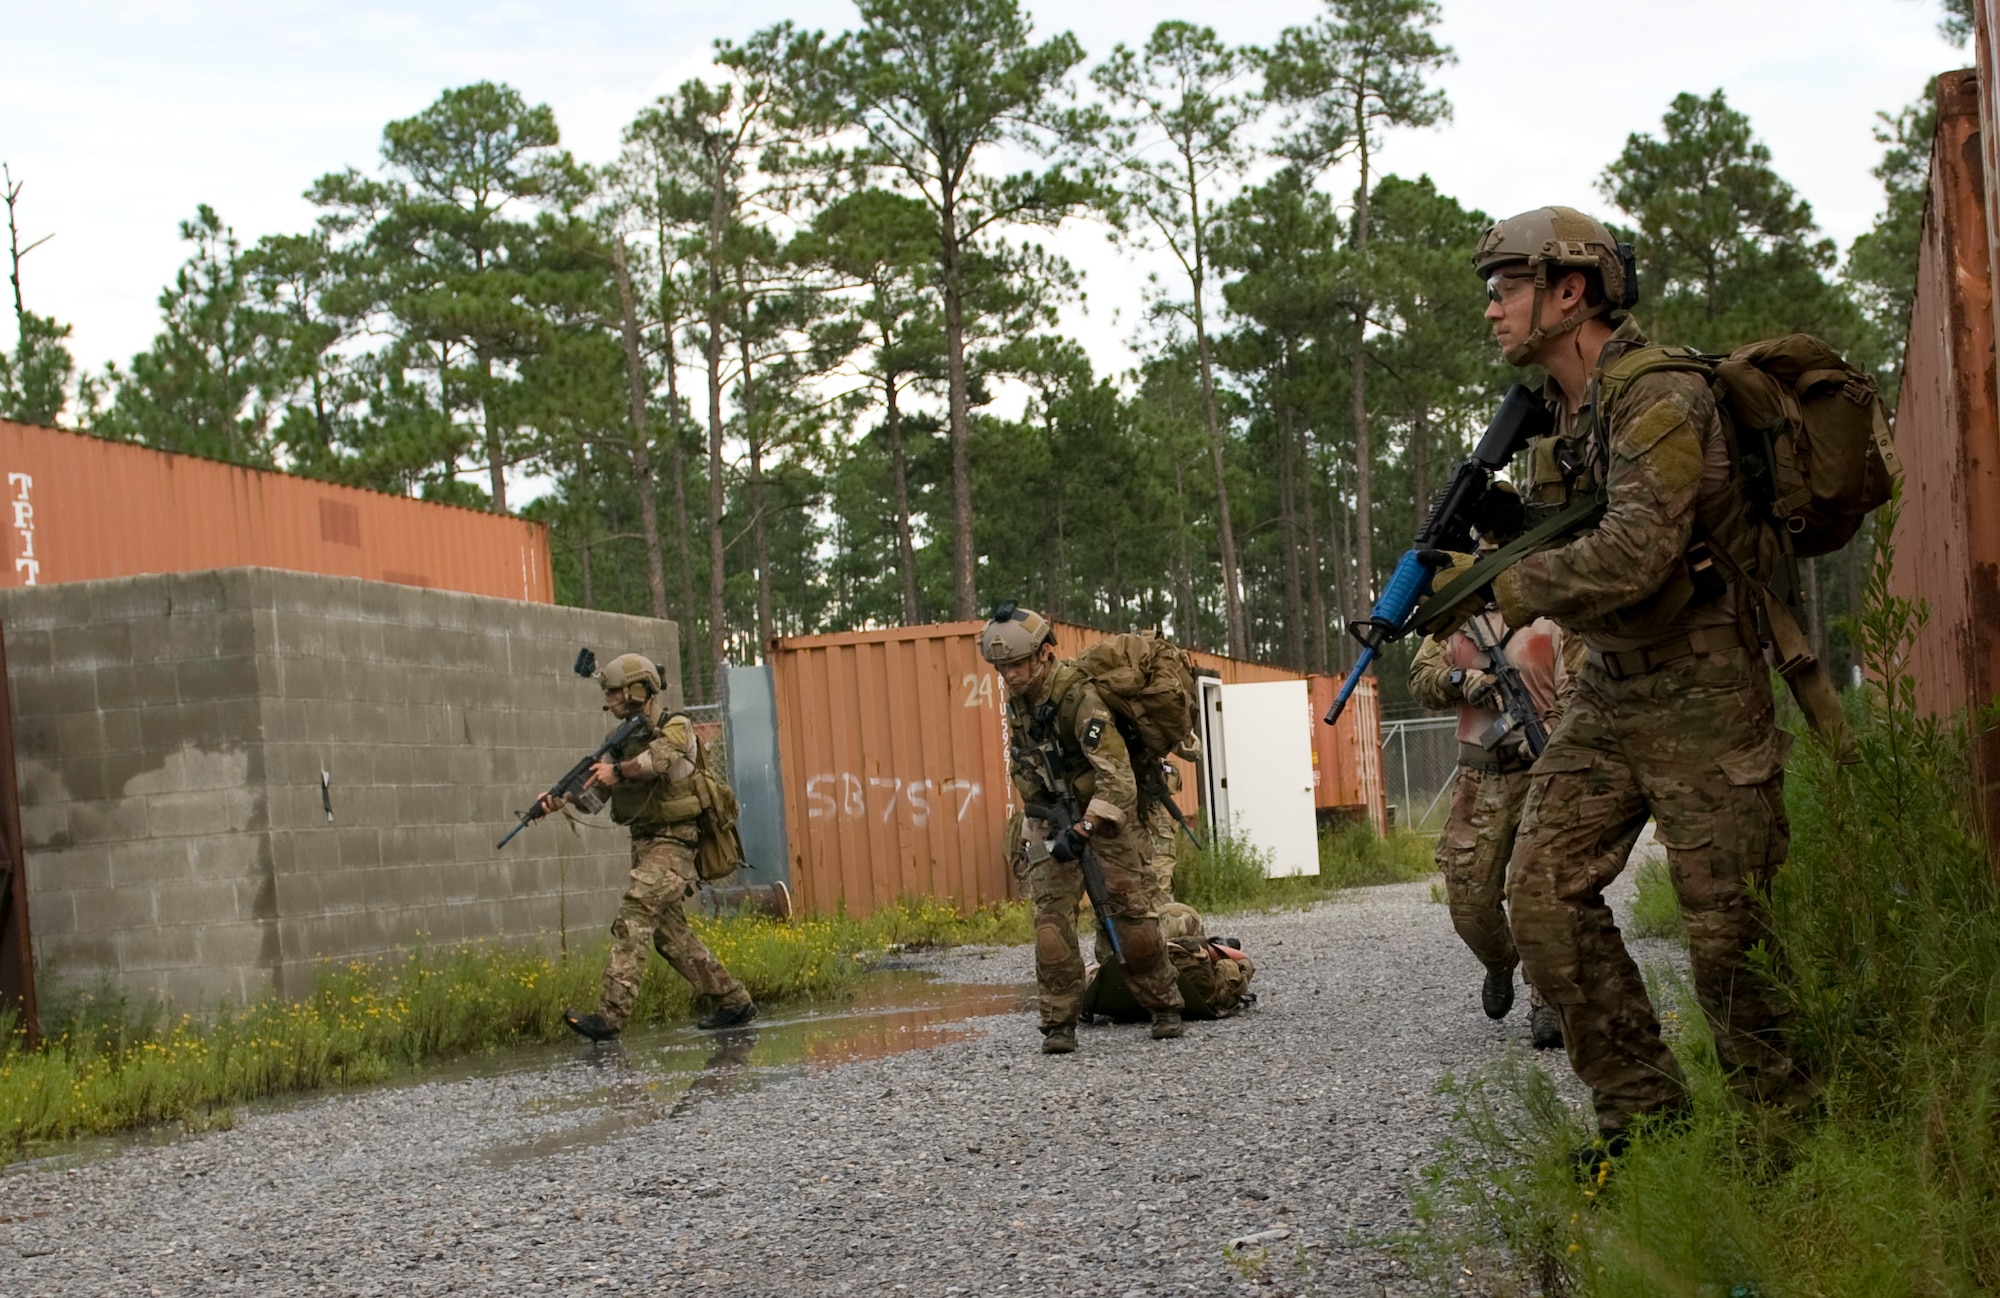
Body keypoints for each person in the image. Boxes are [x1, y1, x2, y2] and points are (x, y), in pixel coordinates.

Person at [1462, 206, 1809, 1161]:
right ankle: (1643, 1123)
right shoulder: (1563, 413)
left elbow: (1636, 554)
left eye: (1508, 288)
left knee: (1731, 941)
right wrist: (1505, 526)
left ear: (1570, 291)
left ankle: (1784, 1155)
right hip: (1611, 690)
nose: (1492, 310)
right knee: (1538, 897)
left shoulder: (1657, 395)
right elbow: (1580, 531)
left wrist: (1506, 580)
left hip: (1704, 688)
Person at [983, 605, 1187, 1054]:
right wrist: (1042, 822)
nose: (1009, 675)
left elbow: (1118, 779)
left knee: (1130, 918)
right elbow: (1024, 765)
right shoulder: (1019, 703)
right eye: (1002, 668)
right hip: (1056, 817)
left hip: (1108, 816)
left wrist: (1085, 826)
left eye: (1016, 664)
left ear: (1043, 655)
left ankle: (1165, 1007)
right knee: (1051, 926)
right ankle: (1059, 1024)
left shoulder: (1080, 700)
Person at [552, 652, 756, 1041]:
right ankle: (733, 1001)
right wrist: (561, 798)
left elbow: (657, 762)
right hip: (645, 845)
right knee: (670, 936)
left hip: (676, 842)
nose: (607, 700)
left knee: (636, 911)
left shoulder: (675, 726)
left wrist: (616, 770)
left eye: (613, 692)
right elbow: (596, 799)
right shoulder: (617, 745)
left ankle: (609, 1017)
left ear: (636, 690)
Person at [1409, 603, 1578, 1051]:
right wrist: (1462, 679)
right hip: (1477, 779)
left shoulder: (1551, 614)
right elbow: (1420, 680)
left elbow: (1580, 692)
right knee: (1468, 901)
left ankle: (1546, 1000)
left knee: (1538, 890)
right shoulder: (1457, 615)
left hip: (1539, 773)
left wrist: (1547, 735)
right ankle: (1501, 962)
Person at [1080, 902, 1256, 1022]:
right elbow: (1243, 960)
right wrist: (1209, 948)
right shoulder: (1199, 979)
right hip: (1190, 1002)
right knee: (1233, 970)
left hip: (1124, 995)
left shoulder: (1128, 963)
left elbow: (1092, 975)